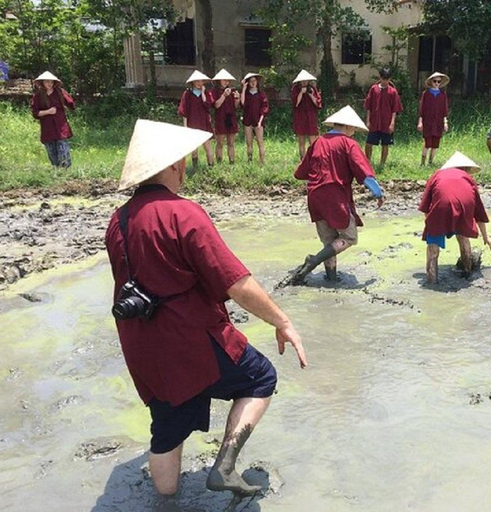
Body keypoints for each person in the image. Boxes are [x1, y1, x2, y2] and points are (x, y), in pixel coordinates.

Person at [105, 120, 307, 503]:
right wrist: (283, 321)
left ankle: (166, 504)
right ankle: (225, 465)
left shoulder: (119, 220)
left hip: (141, 340)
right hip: (189, 337)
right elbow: (236, 283)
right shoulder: (183, 214)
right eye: (182, 161)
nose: (185, 168)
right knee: (260, 378)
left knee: (165, 425)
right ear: (170, 167)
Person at [283, 106, 385, 286]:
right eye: (353, 129)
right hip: (334, 196)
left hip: (314, 196)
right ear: (347, 126)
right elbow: (364, 172)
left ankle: (331, 278)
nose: (353, 133)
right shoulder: (348, 144)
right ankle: (313, 261)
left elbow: (299, 173)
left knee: (329, 240)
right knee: (349, 237)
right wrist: (378, 192)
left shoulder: (318, 142)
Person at [419, 151, 491, 284]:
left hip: (440, 208)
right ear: (466, 168)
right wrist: (486, 237)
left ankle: (432, 282)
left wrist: (433, 226)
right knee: (463, 238)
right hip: (464, 207)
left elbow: (425, 207)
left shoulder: (437, 175)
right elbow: (479, 213)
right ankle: (467, 272)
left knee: (433, 248)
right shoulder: (468, 178)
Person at [31, 71, 75, 168]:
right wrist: (48, 112)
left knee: (63, 148)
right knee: (51, 151)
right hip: (47, 127)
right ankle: (56, 170)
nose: (49, 84)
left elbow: (71, 104)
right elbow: (35, 113)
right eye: (47, 82)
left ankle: (65, 171)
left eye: (51, 82)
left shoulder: (60, 92)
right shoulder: (38, 96)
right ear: (42, 82)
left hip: (60, 125)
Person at [364, 67, 403, 166]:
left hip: (386, 121)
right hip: (374, 121)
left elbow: (395, 109)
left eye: (387, 79)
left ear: (390, 79)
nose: (385, 81)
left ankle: (382, 164)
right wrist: (368, 121)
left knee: (385, 144)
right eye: (383, 78)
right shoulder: (374, 89)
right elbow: (368, 106)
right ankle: (367, 162)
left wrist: (392, 123)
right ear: (380, 77)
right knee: (369, 143)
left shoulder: (393, 92)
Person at [177, 70, 214, 168]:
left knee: (208, 149)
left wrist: (202, 93)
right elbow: (184, 110)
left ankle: (211, 168)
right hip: (192, 124)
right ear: (193, 82)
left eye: (201, 81)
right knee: (194, 150)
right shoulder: (187, 94)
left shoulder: (206, 93)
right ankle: (195, 168)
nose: (199, 83)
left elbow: (208, 105)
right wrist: (185, 126)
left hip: (204, 123)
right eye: (197, 81)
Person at [417, 72, 450, 167]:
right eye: (435, 81)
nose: (436, 83)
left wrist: (445, 122)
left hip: (438, 122)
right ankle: (422, 163)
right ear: (431, 82)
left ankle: (430, 162)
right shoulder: (426, 94)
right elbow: (422, 110)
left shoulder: (443, 94)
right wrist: (420, 122)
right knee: (427, 143)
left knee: (435, 144)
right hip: (428, 122)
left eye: (439, 81)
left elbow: (445, 110)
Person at [291, 69, 323, 160]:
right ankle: (303, 159)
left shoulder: (312, 89)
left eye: (306, 80)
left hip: (311, 116)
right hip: (300, 116)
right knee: (301, 140)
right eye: (302, 80)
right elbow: (295, 103)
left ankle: (313, 159)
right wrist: (301, 92)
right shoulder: (295, 89)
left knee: (312, 139)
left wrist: (311, 95)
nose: (304, 82)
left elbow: (318, 103)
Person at [211, 69, 240, 165]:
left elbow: (236, 106)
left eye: (227, 80)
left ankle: (232, 162)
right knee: (220, 143)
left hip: (231, 118)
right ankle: (219, 163)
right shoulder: (214, 91)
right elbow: (216, 105)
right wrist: (224, 95)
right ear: (219, 80)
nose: (226, 82)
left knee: (231, 143)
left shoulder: (233, 91)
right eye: (224, 80)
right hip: (220, 119)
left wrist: (237, 98)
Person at [241, 73, 269, 165]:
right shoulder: (246, 93)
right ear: (248, 83)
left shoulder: (261, 94)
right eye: (250, 81)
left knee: (260, 142)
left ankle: (262, 162)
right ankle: (249, 161)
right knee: (249, 143)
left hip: (258, 121)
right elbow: (242, 103)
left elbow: (264, 108)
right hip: (247, 121)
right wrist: (244, 89)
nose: (253, 83)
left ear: (257, 82)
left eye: (254, 81)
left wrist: (260, 122)